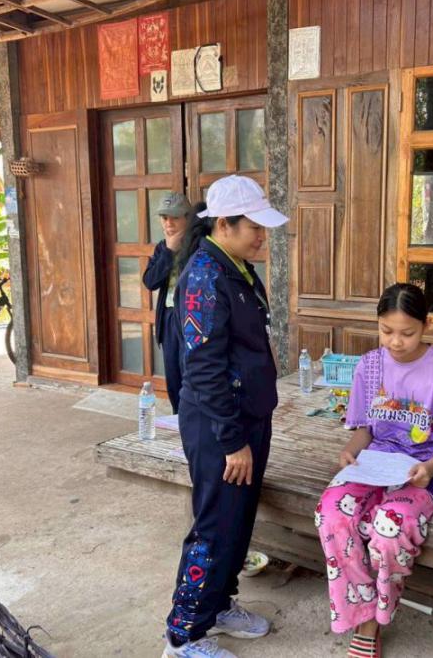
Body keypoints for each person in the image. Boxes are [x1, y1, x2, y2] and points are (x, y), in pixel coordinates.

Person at [163, 175, 289, 658]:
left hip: (248, 418)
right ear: (224, 225)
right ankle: (184, 634)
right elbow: (203, 367)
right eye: (254, 227)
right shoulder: (204, 277)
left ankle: (217, 606)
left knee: (237, 522)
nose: (261, 236)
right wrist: (232, 440)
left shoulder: (235, 268)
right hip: (220, 427)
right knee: (215, 526)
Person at [314, 283, 433, 658]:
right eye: (386, 331)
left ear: (427, 325)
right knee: (330, 512)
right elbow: (365, 430)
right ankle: (363, 608)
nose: (396, 342)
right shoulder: (369, 366)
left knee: (389, 527)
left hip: (424, 470)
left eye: (407, 332)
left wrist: (430, 467)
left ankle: (375, 620)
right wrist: (349, 453)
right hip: (374, 464)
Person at [143, 191, 193, 411]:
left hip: (191, 320)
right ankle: (178, 421)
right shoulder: (162, 248)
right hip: (169, 319)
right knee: (174, 379)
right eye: (164, 218)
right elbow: (150, 281)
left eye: (175, 217)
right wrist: (169, 251)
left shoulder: (199, 246)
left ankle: (192, 424)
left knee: (191, 377)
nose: (168, 223)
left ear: (188, 218)